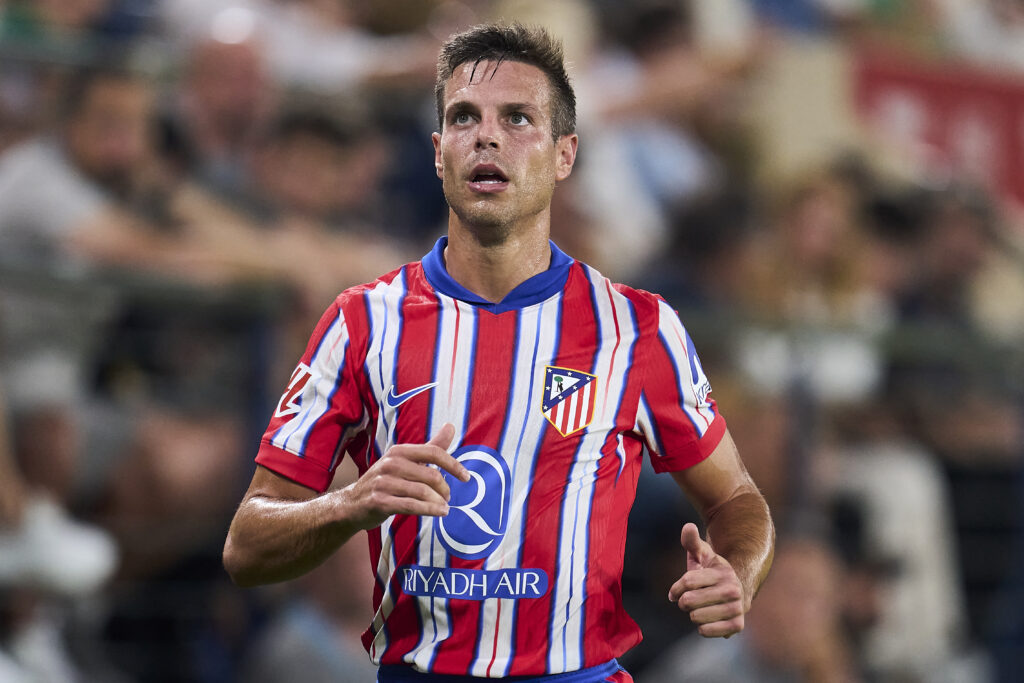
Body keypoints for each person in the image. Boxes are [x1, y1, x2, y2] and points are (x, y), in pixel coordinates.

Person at [223, 23, 774, 682]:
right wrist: (350, 503)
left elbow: (738, 498)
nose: (486, 136)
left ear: (564, 154)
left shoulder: (639, 327)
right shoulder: (362, 322)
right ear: (437, 152)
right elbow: (247, 543)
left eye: (517, 118)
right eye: (464, 118)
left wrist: (736, 569)